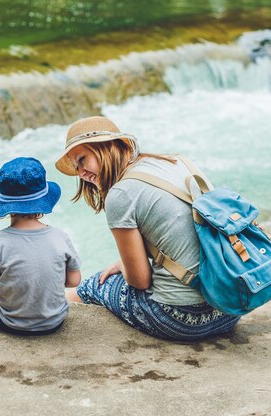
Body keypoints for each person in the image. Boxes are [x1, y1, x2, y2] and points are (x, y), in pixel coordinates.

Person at [55, 116, 241, 342]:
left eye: (82, 159)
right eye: (76, 167)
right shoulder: (176, 162)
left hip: (179, 319)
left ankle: (45, 305)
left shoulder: (121, 194)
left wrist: (124, 265)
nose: (81, 173)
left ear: (107, 147)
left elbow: (139, 281)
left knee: (98, 283)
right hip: (230, 305)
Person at [0, 157, 82, 335]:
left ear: (4, 205)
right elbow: (74, 281)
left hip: (11, 322)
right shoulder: (60, 237)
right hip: (55, 320)